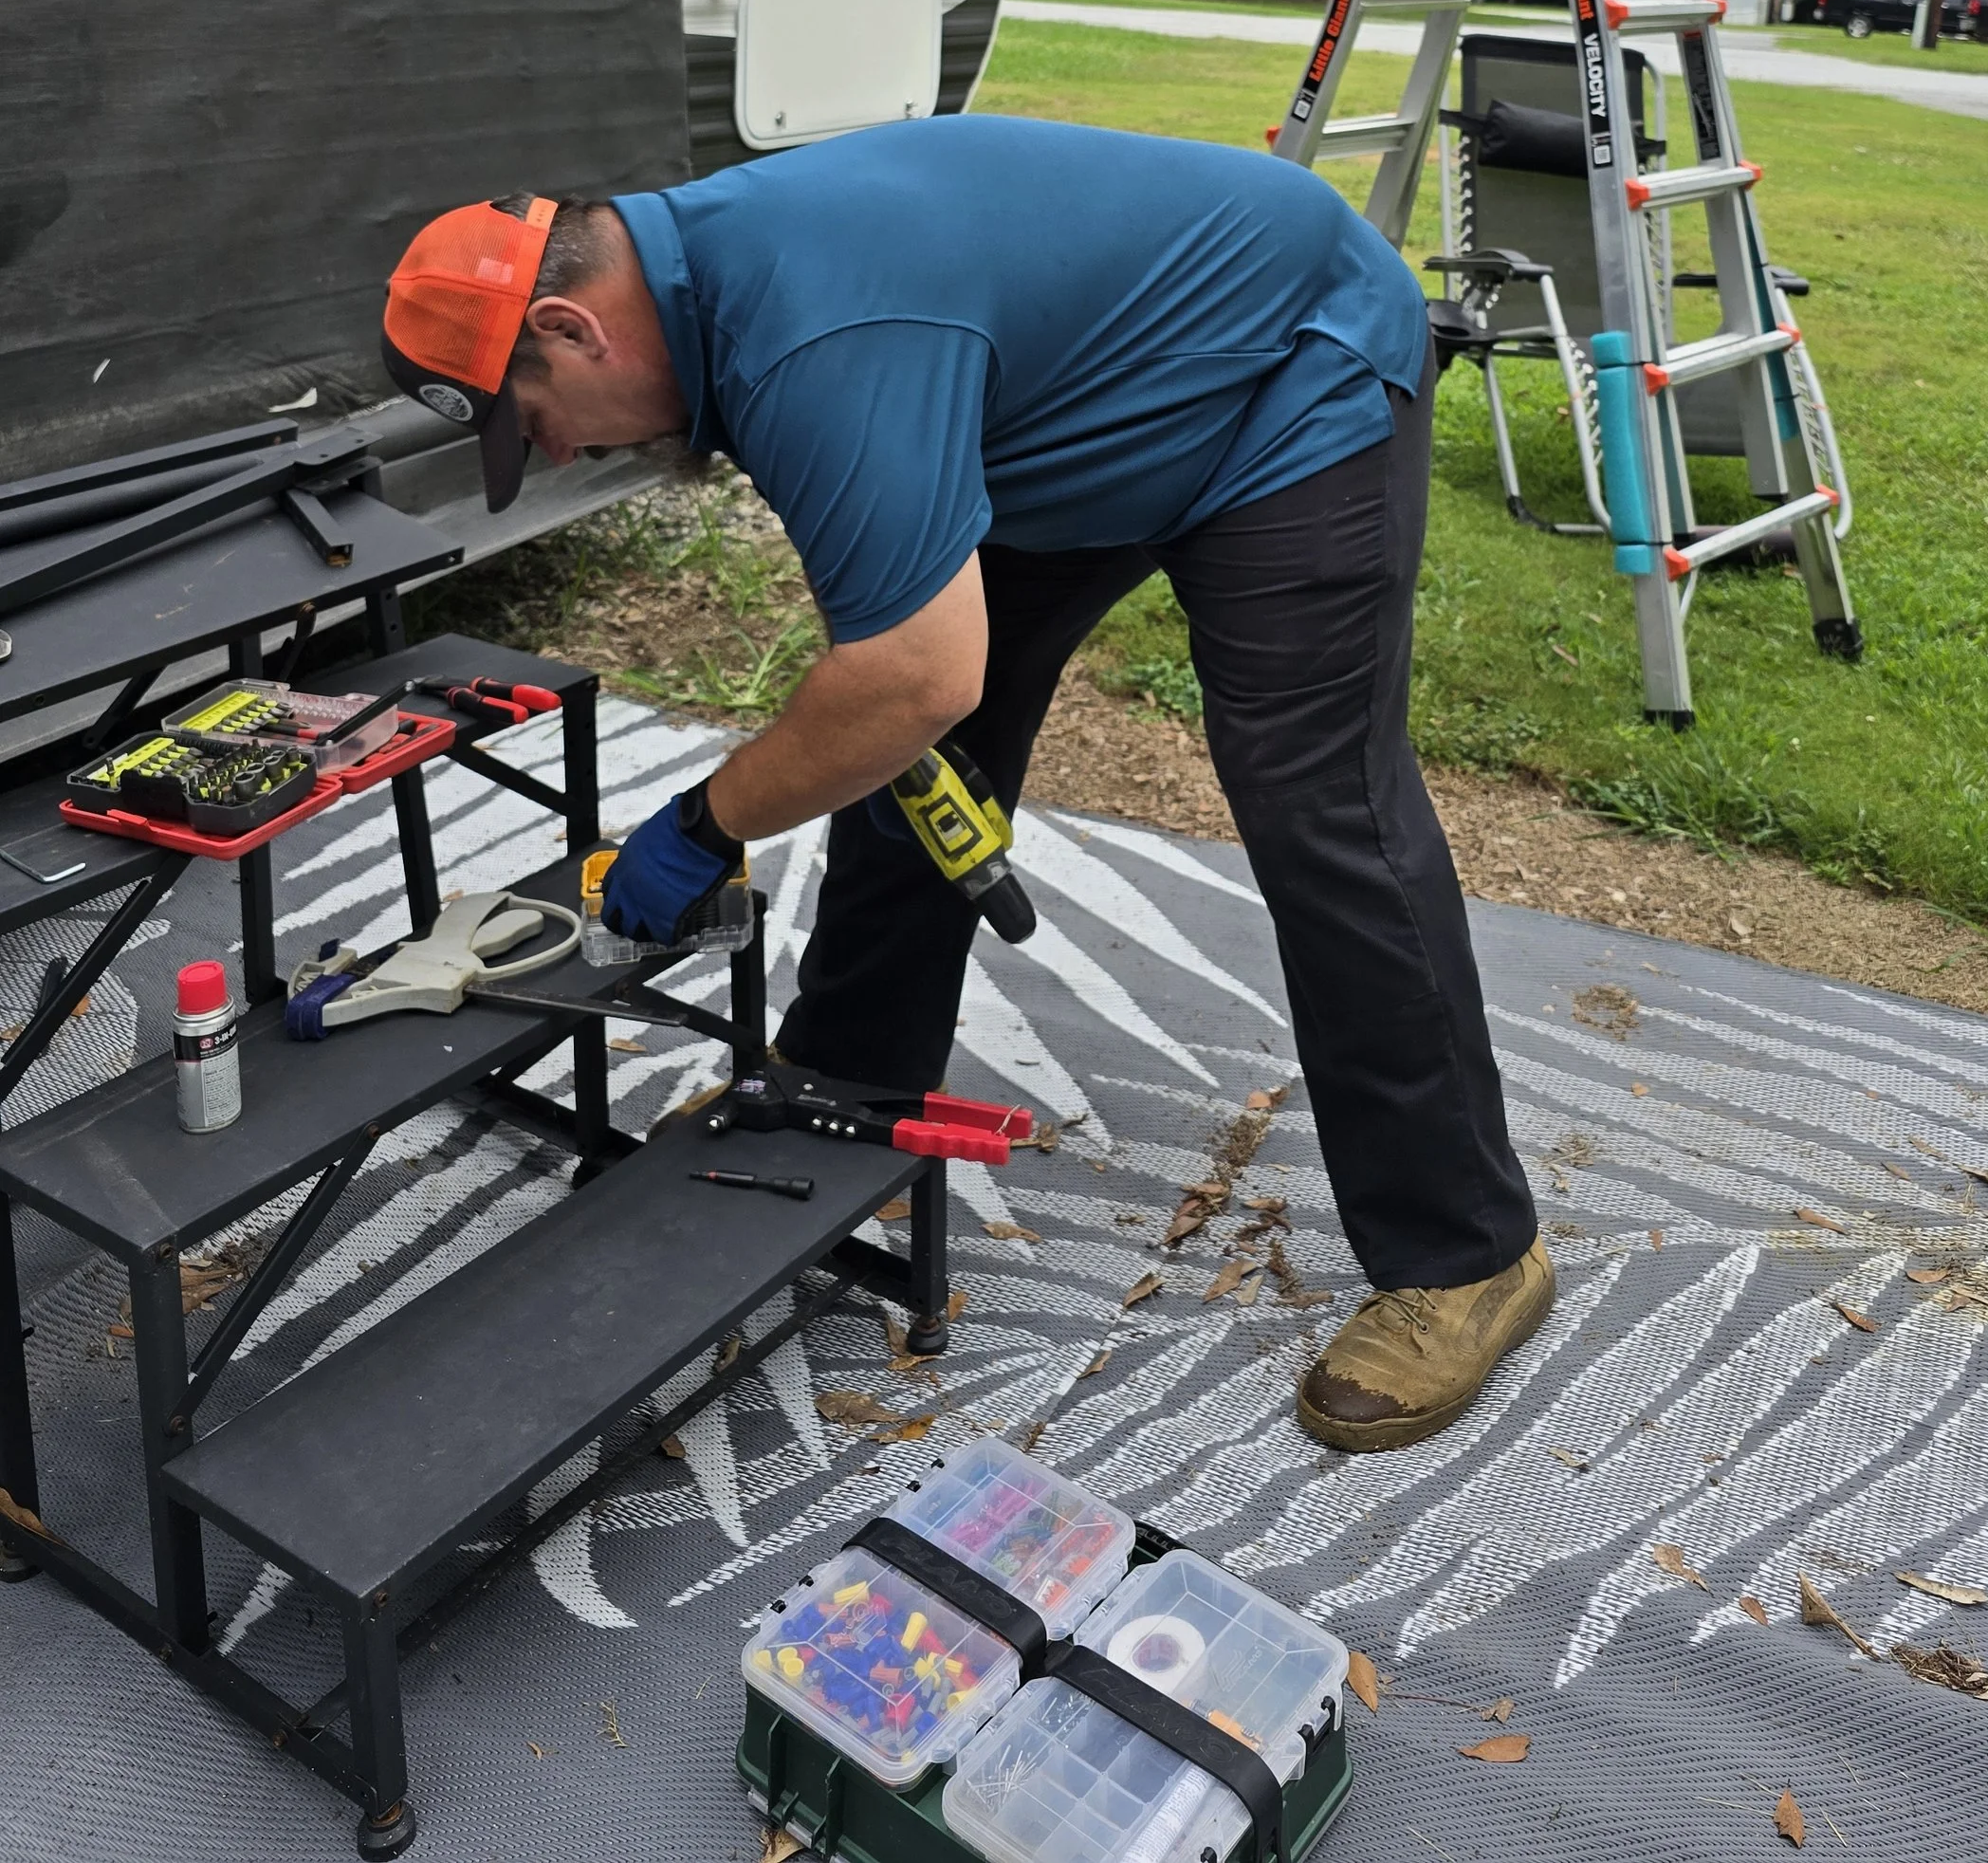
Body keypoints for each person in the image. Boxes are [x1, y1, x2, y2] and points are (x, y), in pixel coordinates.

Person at [380, 120, 1549, 1450]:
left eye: (535, 422)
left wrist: (702, 826)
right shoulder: (703, 297)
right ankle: (848, 1087)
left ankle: (1469, 1251)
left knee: (1314, 797)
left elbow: (907, 675)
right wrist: (840, 739)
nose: (564, 456)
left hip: (1287, 367)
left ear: (573, 329)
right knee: (911, 751)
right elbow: (897, 696)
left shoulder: (808, 331)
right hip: (1087, 409)